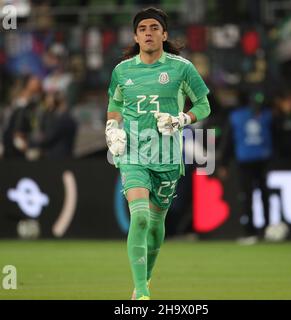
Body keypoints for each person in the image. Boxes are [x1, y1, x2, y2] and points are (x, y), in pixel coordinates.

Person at [105, 7, 210, 300]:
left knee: (154, 225)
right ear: (135, 36)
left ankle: (146, 277)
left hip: (166, 156)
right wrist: (112, 130)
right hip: (134, 154)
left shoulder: (181, 68)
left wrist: (182, 119)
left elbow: (204, 105)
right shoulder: (122, 71)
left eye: (154, 27)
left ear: (164, 34)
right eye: (142, 29)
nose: (148, 32)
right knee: (138, 219)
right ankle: (140, 292)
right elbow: (114, 108)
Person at [217, 91, 272, 244]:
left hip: (252, 160)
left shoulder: (237, 116)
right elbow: (228, 140)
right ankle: (259, 230)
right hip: (256, 160)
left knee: (251, 196)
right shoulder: (265, 115)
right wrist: (224, 163)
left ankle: (256, 231)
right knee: (258, 195)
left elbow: (227, 141)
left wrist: (223, 163)